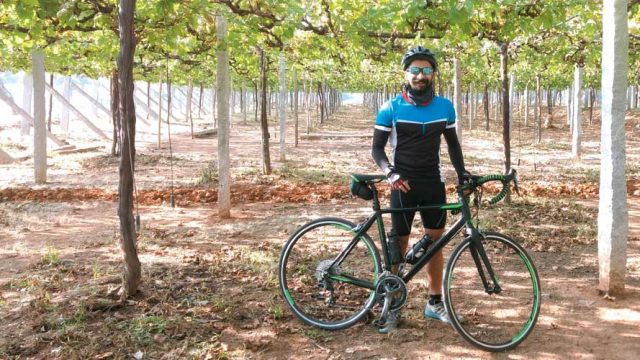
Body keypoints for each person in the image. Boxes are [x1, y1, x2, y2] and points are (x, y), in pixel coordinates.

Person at [371, 46, 468, 333]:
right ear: (406, 73)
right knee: (398, 244)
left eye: (426, 70)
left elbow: (452, 144)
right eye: (415, 70)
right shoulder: (391, 107)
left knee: (435, 244)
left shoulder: (445, 107)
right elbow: (377, 148)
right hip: (402, 183)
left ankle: (434, 302)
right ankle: (391, 303)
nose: (420, 75)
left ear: (433, 74)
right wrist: (390, 173)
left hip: (432, 183)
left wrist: (463, 175)